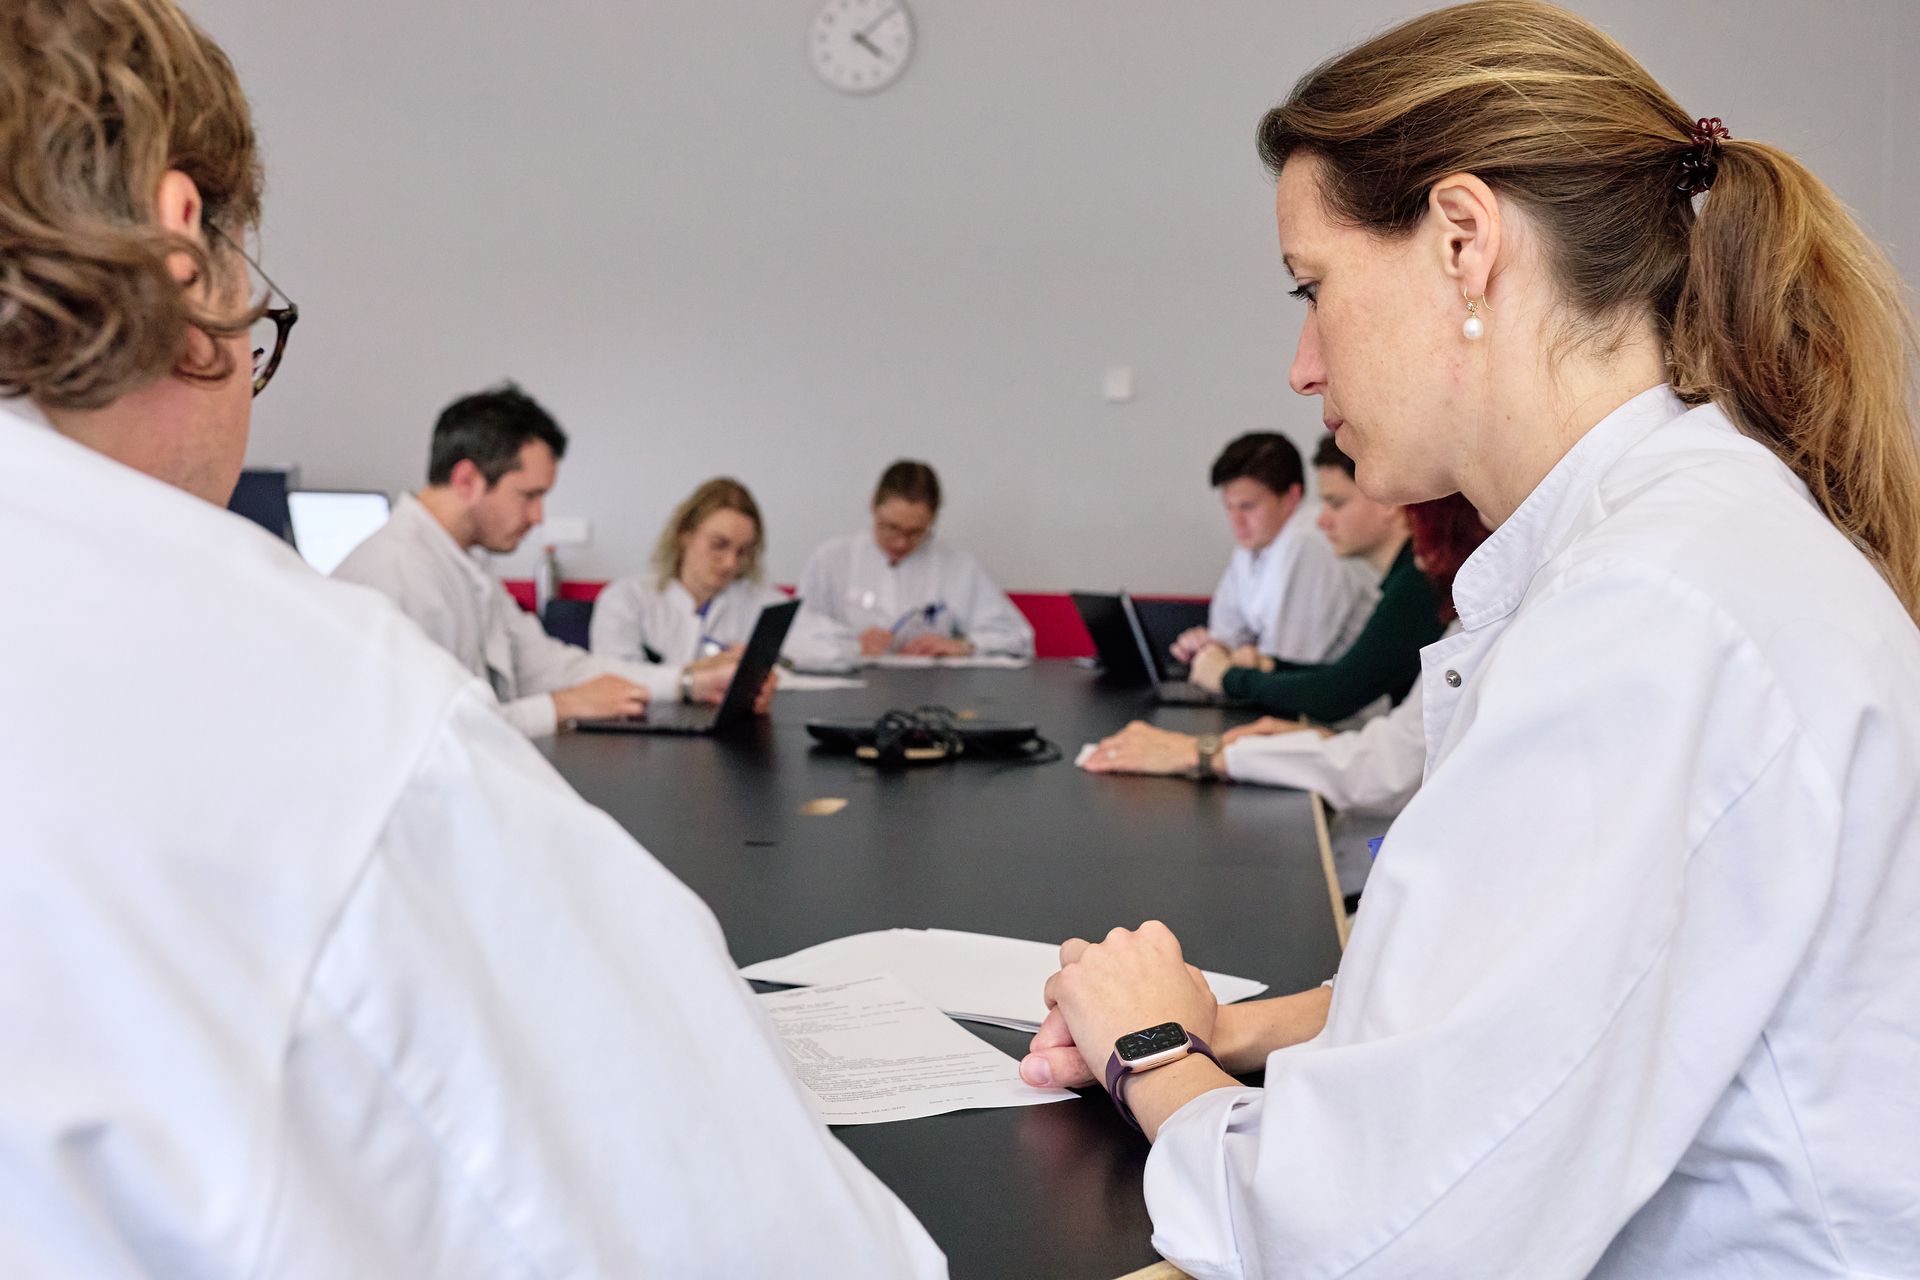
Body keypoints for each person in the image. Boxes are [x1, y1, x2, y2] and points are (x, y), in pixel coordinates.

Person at [0, 3, 944, 1274]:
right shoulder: (333, 702)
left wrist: (671, 678)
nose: (541, 519)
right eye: (254, 322)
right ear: (180, 251)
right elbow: (785, 1240)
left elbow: (548, 666)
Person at [1024, 3, 1920, 1276]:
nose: (1301, 364)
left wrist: (1150, 1052)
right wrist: (1240, 1027)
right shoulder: (1674, 546)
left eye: (1314, 288)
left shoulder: (1649, 611)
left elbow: (1364, 1238)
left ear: (1463, 239)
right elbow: (1549, 1008)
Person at [333, 384, 758, 735]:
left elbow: (549, 666)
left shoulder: (466, 566)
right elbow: (424, 734)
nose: (538, 517)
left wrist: (686, 682)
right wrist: (559, 707)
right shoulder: (392, 573)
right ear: (466, 480)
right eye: (529, 496)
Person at [1082, 493, 1487, 811]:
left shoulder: (1311, 549)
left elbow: (1382, 765)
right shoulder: (1463, 614)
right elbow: (1400, 746)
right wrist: (1312, 733)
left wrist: (1204, 752)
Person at [1184, 433, 1446, 721]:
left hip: (1361, 724)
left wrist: (1228, 676)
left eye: (1336, 503)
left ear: (1388, 501)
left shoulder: (1419, 580)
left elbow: (1335, 693)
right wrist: (1265, 665)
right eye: (1229, 507)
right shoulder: (1407, 575)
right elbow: (1341, 678)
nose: (1322, 520)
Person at [590, 476, 851, 672]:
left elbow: (841, 648)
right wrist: (690, 676)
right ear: (684, 534)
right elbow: (614, 678)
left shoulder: (760, 603)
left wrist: (764, 652)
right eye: (718, 545)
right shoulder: (626, 598)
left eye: (743, 551)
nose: (730, 563)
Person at [1168, 432, 1376, 670]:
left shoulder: (1310, 541)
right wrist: (1208, 647)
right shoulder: (1251, 548)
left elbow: (1285, 663)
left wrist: (1219, 659)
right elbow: (1228, 635)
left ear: (1292, 496)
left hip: (1345, 691)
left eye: (1248, 506)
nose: (1236, 521)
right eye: (1229, 507)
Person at [797, 459, 1034, 660]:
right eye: (891, 527)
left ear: (932, 520)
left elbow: (1018, 637)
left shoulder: (956, 565)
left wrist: (963, 646)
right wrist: (848, 643)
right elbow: (796, 636)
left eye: (916, 532)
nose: (900, 543)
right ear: (873, 506)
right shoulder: (831, 559)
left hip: (931, 690)